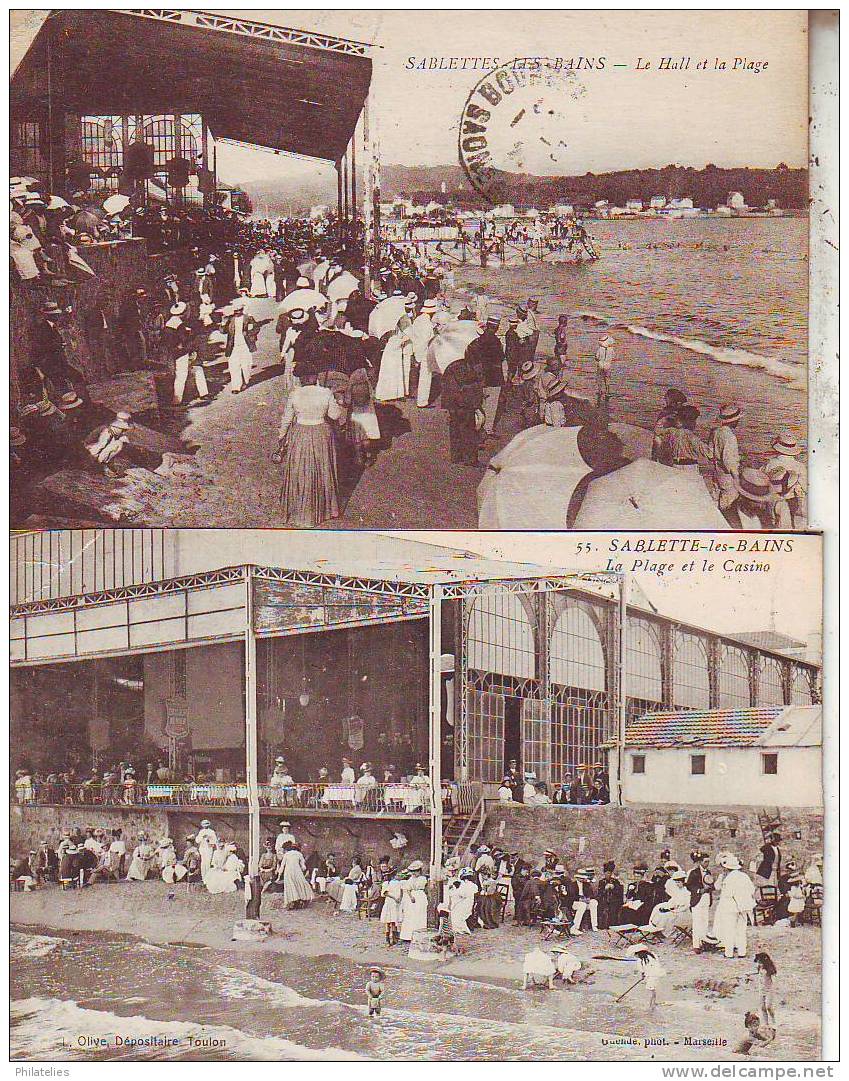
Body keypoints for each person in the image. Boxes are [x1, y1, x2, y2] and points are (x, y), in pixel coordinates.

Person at [274, 369, 343, 527]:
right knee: (322, 468)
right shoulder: (325, 392)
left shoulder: (295, 394)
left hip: (300, 433)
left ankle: (300, 508)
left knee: (301, 469)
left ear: (301, 378)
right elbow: (334, 415)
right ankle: (323, 508)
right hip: (320, 432)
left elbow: (286, 419)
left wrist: (281, 437)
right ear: (315, 377)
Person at [441, 348, 485, 465]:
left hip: (452, 402)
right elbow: (467, 379)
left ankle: (456, 456)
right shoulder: (461, 366)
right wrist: (477, 374)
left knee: (455, 429)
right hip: (463, 402)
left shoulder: (449, 364)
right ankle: (470, 459)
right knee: (468, 430)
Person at [466, 316, 505, 437]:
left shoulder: (478, 341)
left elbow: (470, 355)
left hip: (480, 377)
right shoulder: (496, 342)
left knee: (479, 405)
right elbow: (501, 357)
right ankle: (487, 429)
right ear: (497, 328)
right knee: (491, 405)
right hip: (494, 377)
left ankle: (477, 427)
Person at [713, 853, 756, 958]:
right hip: (744, 907)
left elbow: (727, 893)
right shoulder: (744, 876)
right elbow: (752, 890)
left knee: (729, 929)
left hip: (730, 907)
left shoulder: (729, 879)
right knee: (741, 929)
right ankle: (742, 952)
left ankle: (729, 952)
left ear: (727, 868)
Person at [764, 431, 807, 528]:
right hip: (789, 502)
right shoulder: (799, 466)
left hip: (771, 501)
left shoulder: (770, 464)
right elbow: (805, 488)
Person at [709, 404, 743, 518]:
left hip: (717, 471)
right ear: (732, 421)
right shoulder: (730, 437)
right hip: (727, 476)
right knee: (728, 503)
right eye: (737, 419)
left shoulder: (716, 432)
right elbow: (729, 462)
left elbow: (710, 452)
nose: (738, 421)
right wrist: (737, 478)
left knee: (716, 498)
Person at [223, 293, 262, 393]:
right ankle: (236, 386)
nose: (237, 313)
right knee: (233, 365)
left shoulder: (248, 318)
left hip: (245, 344)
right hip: (233, 345)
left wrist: (249, 333)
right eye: (235, 311)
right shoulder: (230, 319)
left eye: (239, 311)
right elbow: (222, 331)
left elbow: (256, 328)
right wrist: (224, 322)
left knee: (246, 365)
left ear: (242, 310)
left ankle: (245, 380)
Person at [686, 849, 714, 951]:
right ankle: (696, 945)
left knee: (705, 922)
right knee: (697, 922)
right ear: (700, 862)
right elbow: (688, 886)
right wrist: (699, 890)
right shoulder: (694, 873)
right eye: (705, 861)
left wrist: (710, 888)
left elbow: (711, 885)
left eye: (708, 862)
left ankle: (704, 942)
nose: (707, 864)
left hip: (706, 899)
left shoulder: (709, 872)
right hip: (697, 900)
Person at [399, 860, 429, 942]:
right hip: (412, 897)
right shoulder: (410, 880)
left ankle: (420, 935)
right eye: (413, 872)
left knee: (420, 915)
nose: (414, 873)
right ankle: (408, 935)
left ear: (420, 871)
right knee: (410, 915)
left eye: (416, 871)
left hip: (420, 896)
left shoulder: (422, 879)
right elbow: (408, 889)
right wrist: (411, 896)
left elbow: (425, 888)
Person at [630, 946, 666, 1012]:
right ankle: (653, 1003)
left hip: (651, 975)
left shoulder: (640, 961)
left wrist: (643, 976)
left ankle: (651, 1005)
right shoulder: (653, 955)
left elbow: (642, 971)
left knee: (650, 989)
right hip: (657, 973)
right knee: (652, 989)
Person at [278, 842, 313, 908]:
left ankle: (289, 902)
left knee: (289, 886)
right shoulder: (299, 854)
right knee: (300, 884)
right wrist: (303, 870)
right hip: (297, 871)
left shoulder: (286, 854)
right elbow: (303, 867)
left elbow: (282, 866)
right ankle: (301, 899)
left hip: (288, 872)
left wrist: (279, 876)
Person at [597, 861, 624, 929]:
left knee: (614, 907)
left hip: (614, 900)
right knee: (602, 908)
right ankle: (603, 925)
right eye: (607, 873)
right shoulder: (601, 882)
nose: (608, 875)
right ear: (604, 873)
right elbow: (599, 893)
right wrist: (605, 889)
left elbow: (619, 892)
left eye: (609, 873)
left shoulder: (615, 881)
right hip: (604, 900)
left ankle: (613, 924)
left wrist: (614, 887)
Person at [571, 869, 599, 934]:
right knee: (582, 905)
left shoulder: (587, 884)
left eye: (583, 878)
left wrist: (588, 899)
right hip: (575, 903)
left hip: (585, 901)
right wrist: (580, 899)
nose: (582, 879)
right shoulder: (572, 885)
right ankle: (575, 927)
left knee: (594, 902)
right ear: (577, 878)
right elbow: (571, 897)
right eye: (581, 878)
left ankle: (594, 925)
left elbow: (591, 895)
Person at [753, 951, 777, 1028]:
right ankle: (766, 1023)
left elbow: (773, 977)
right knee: (763, 1007)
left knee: (768, 1007)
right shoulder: (759, 967)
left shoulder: (769, 969)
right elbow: (757, 973)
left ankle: (773, 1021)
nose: (759, 964)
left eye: (760, 962)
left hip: (769, 989)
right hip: (761, 989)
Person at [380, 872, 403, 946]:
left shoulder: (398, 883)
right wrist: (394, 897)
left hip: (394, 904)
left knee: (393, 920)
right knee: (388, 921)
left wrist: (399, 898)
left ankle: (394, 937)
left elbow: (401, 891)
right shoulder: (386, 883)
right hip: (389, 902)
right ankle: (387, 938)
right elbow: (385, 893)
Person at [594, 333, 615, 408]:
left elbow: (596, 357)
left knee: (599, 378)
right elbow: (613, 357)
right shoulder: (611, 349)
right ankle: (607, 392)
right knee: (607, 379)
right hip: (607, 365)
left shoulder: (600, 349)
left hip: (600, 364)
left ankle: (600, 391)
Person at [195, 820, 218, 884]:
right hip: (202, 849)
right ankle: (203, 878)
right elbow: (197, 840)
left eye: (206, 825)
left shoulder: (211, 832)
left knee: (208, 863)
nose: (205, 826)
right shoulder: (201, 832)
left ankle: (208, 879)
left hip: (209, 849)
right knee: (203, 864)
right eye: (204, 825)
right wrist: (202, 837)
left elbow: (214, 841)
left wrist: (209, 839)